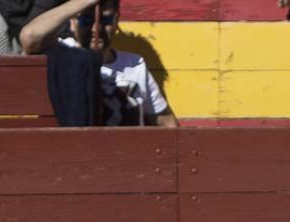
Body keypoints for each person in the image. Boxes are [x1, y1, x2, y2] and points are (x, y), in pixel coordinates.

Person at [20, 0, 177, 127]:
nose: (96, 28)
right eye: (86, 20)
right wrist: (83, 2)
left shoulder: (135, 64)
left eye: (106, 20)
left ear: (116, 21)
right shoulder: (61, 52)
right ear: (72, 22)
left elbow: (166, 121)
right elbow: (30, 36)